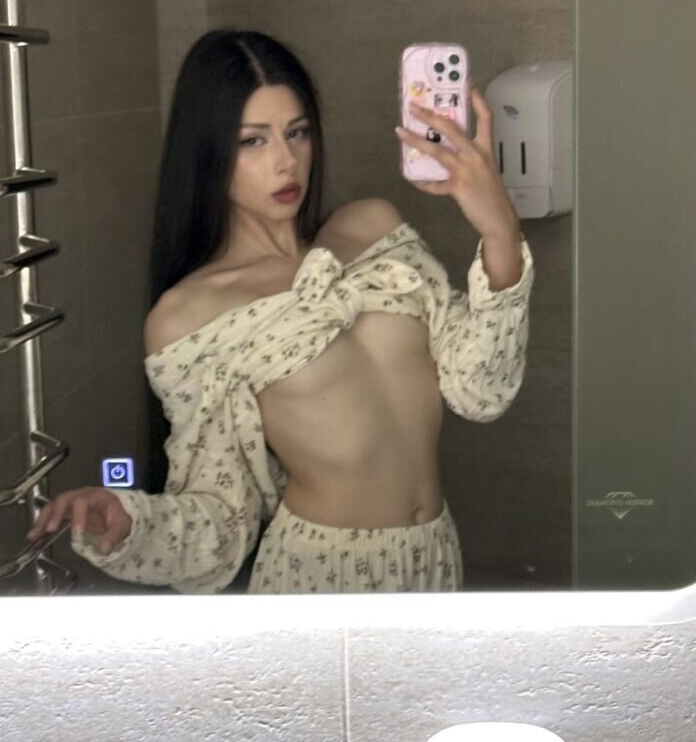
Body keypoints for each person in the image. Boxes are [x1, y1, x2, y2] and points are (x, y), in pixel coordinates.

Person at [27, 29, 534, 594]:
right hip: (319, 576)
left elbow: (482, 389)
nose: (286, 161)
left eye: (297, 132)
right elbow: (222, 513)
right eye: (253, 141)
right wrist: (129, 524)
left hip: (435, 559)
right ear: (209, 153)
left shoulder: (376, 228)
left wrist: (499, 229)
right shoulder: (189, 315)